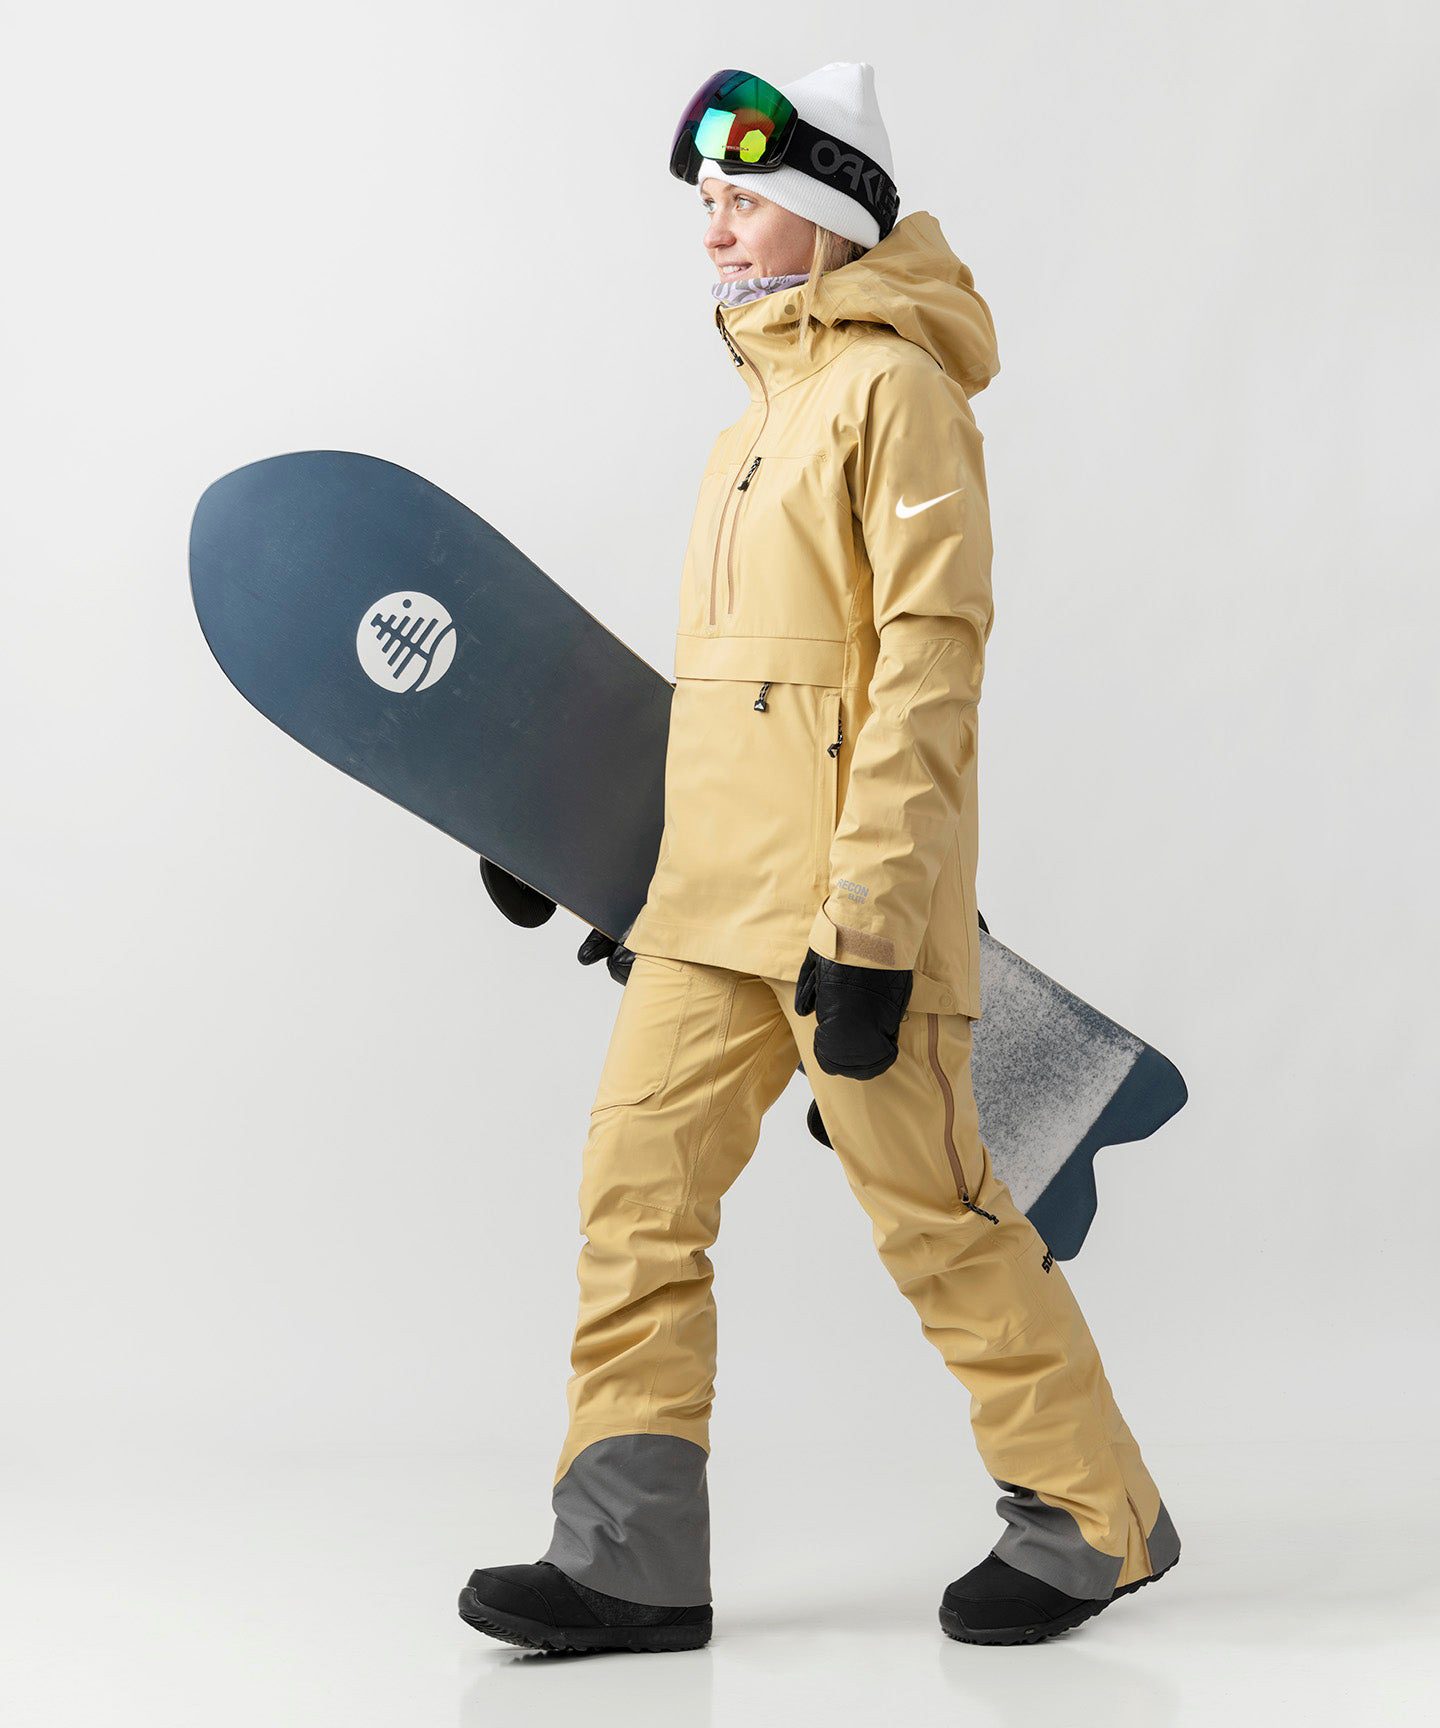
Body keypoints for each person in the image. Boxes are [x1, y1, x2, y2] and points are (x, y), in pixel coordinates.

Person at [460, 61, 1179, 1654]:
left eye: (747, 198)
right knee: (635, 1196)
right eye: (707, 203)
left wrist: (873, 924)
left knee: (937, 1220)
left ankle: (1097, 1515)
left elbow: (926, 671)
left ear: (832, 214)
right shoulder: (753, 420)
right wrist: (573, 833)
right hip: (704, 910)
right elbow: (742, 696)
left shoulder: (895, 395)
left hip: (851, 917)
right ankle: (629, 1561)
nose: (716, 226)